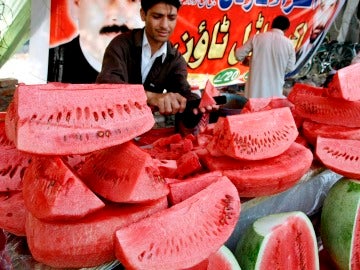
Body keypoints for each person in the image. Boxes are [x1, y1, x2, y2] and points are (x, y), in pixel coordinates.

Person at [96, 0, 218, 129]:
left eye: (171, 18)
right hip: (111, 127)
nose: (165, 25)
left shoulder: (175, 60)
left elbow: (183, 92)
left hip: (144, 130)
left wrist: (198, 105)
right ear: (143, 14)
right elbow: (107, 87)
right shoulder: (121, 45)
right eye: (157, 17)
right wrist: (149, 96)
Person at [47, 0, 144, 83]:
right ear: (75, 5)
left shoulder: (156, 73)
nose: (117, 15)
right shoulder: (45, 69)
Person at [235, 15, 296, 98]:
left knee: (252, 110)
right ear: (286, 29)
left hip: (254, 92)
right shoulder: (289, 44)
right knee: (270, 110)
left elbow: (238, 55)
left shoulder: (257, 38)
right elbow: (290, 68)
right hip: (274, 92)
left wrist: (248, 61)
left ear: (272, 25)